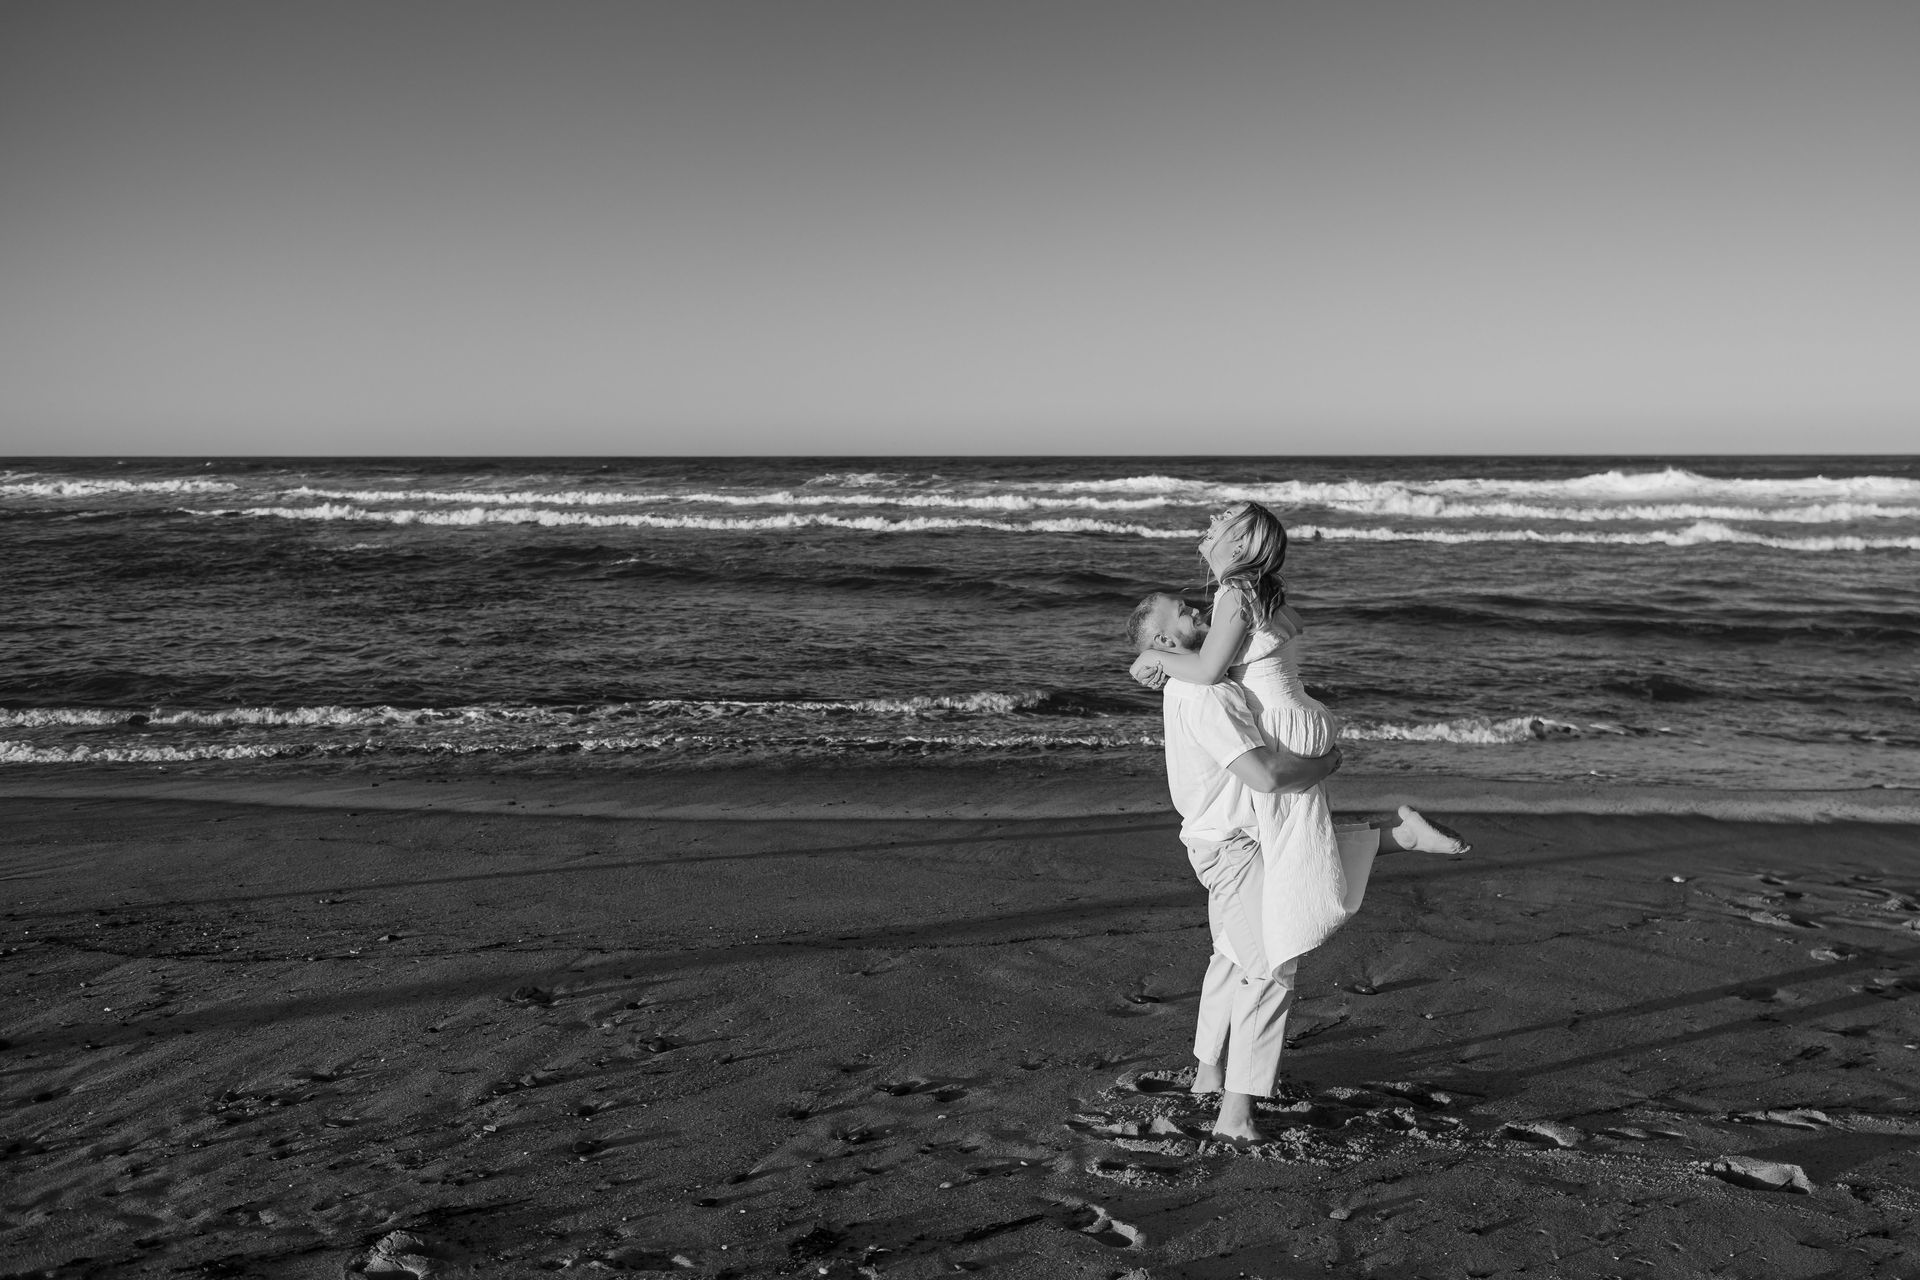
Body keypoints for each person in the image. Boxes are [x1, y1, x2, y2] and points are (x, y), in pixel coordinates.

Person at [1129, 589, 1467, 1140]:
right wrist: (1324, 763)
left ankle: (1209, 1075)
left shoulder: (1195, 681)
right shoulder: (1205, 695)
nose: (1197, 610)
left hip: (1231, 840)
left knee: (1232, 955)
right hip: (1234, 848)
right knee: (1270, 966)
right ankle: (1234, 1116)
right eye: (1184, 612)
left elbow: (1271, 625)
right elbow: (1265, 777)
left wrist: (1155, 659)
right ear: (1167, 639)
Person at [1129, 501, 1469, 979]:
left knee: (1290, 857)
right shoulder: (1251, 591)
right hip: (1297, 717)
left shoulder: (1234, 592)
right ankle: (1401, 837)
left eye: (1224, 519)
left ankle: (1281, 948)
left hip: (1283, 725)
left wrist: (1154, 659)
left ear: (1239, 546)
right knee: (1294, 844)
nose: (1212, 521)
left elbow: (1207, 670)